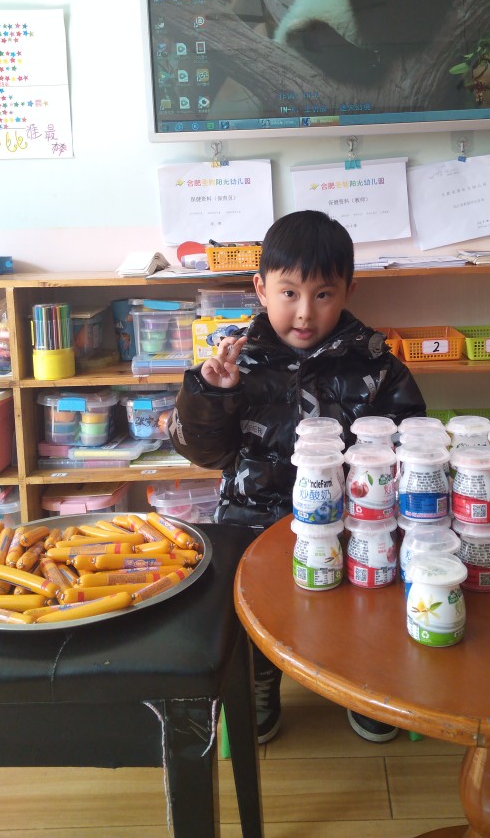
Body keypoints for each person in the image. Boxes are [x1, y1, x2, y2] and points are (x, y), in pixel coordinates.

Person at [170, 210, 426, 743]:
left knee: (369, 592)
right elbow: (206, 454)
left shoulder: (377, 365)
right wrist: (210, 394)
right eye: (289, 293)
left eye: (323, 294)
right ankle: (260, 678)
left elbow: (411, 444)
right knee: (253, 606)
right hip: (254, 518)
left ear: (349, 291)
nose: (305, 312)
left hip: (354, 520)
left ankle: (366, 678)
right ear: (260, 289)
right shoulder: (236, 363)